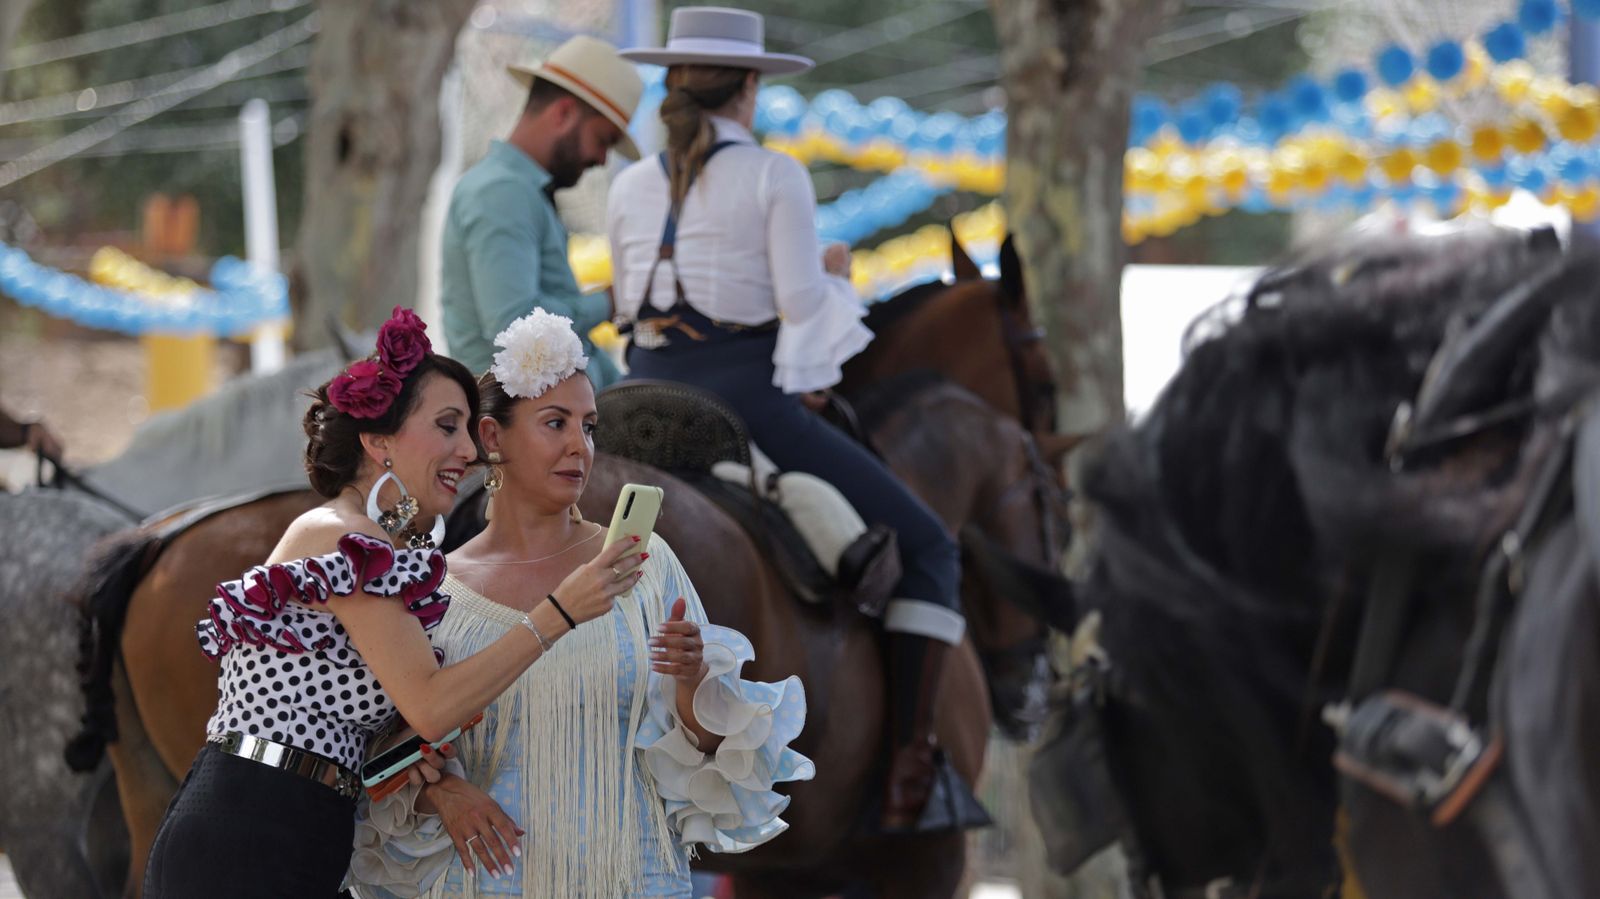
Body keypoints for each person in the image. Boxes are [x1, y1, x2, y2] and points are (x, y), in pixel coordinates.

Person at [607, 7, 976, 832]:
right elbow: (804, 311)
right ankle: (913, 779)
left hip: (632, 400)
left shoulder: (629, 183)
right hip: (743, 401)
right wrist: (835, 277)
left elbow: (628, 306)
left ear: (674, 84)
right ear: (748, 89)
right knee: (930, 548)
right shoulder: (776, 174)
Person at [141, 307, 646, 898]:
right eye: (448, 426)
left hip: (300, 828)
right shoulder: (341, 535)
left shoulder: (372, 547)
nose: (470, 450)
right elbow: (432, 706)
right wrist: (560, 611)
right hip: (249, 827)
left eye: (467, 429)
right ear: (380, 441)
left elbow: (379, 739)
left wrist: (431, 775)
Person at [349, 309, 812, 898]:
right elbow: (383, 747)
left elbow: (707, 753)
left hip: (630, 878)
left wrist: (695, 685)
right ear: (492, 438)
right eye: (555, 423)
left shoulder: (643, 565)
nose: (579, 446)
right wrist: (440, 790)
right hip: (485, 882)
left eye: (588, 427)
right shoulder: (437, 588)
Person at [441, 35, 643, 388]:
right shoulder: (502, 192)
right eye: (603, 139)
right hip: (521, 428)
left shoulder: (521, 191)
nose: (602, 159)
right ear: (564, 114)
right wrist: (609, 301)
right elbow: (515, 328)